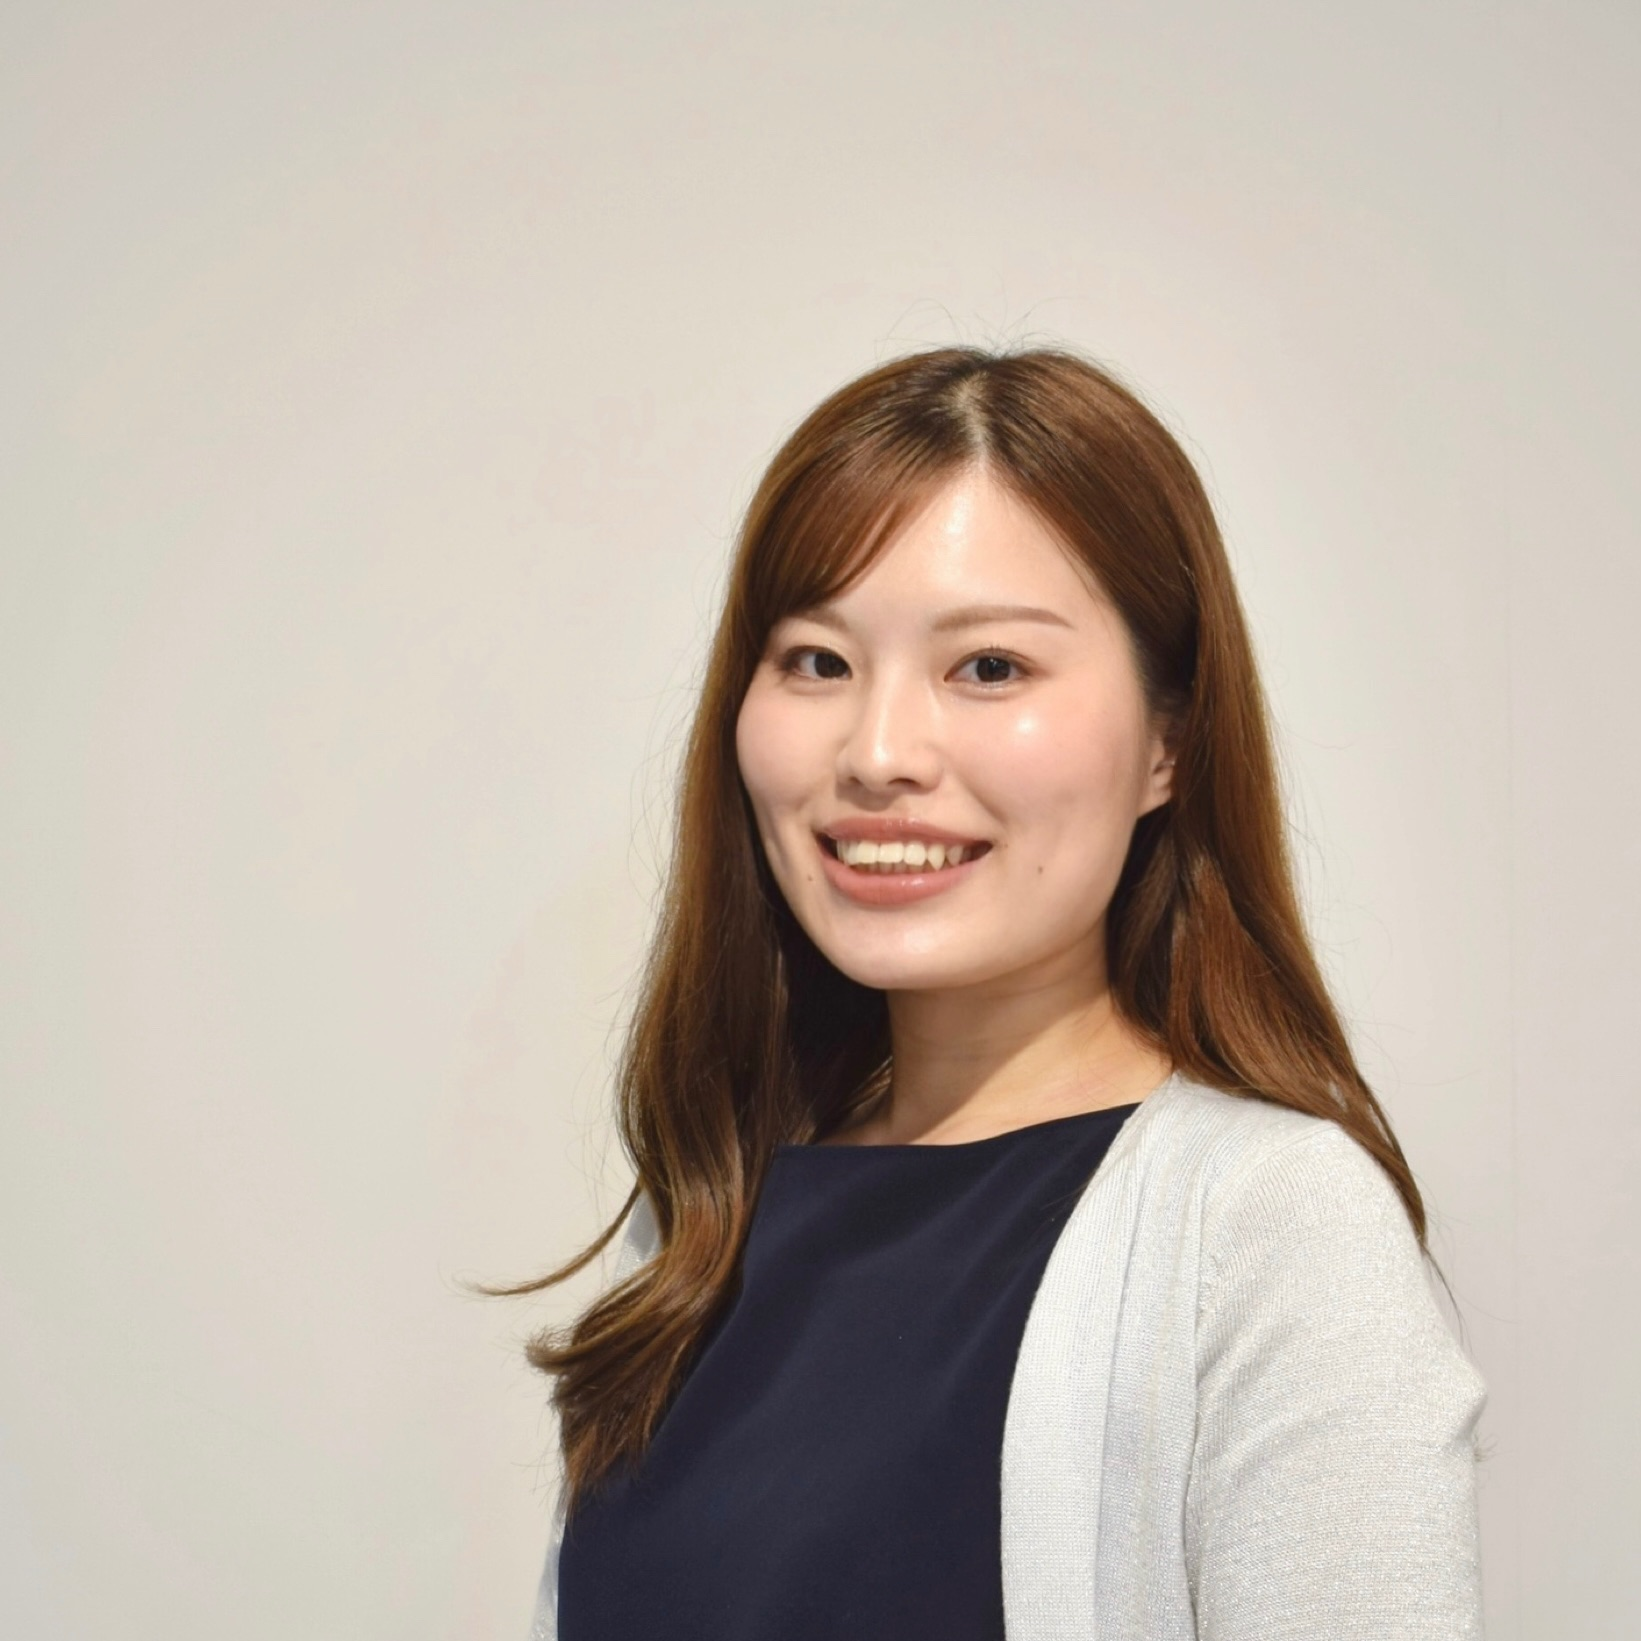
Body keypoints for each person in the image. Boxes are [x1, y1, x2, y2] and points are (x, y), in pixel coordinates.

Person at [514, 348, 1487, 1640]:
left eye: (989, 668)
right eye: (816, 661)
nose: (877, 755)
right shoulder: (704, 1221)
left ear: (1169, 741)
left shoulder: (1268, 1232)